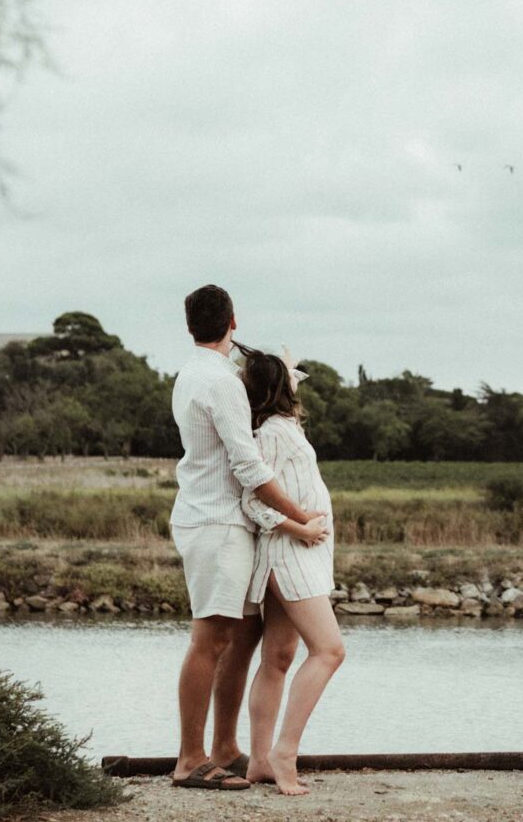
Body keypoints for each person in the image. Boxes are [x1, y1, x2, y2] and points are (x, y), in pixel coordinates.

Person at [169, 286, 330, 792]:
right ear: (232, 322)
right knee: (210, 638)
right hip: (217, 523)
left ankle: (225, 748)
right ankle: (190, 758)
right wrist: (300, 516)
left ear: (190, 324)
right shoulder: (221, 383)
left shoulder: (192, 373)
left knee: (242, 637)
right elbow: (248, 466)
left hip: (218, 522)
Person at [238, 346, 345, 796]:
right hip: (290, 553)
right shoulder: (270, 436)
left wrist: (284, 370)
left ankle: (259, 761)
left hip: (303, 553)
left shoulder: (284, 428)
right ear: (282, 388)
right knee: (330, 650)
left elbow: (291, 386)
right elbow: (251, 500)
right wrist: (298, 527)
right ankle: (284, 752)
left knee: (278, 658)